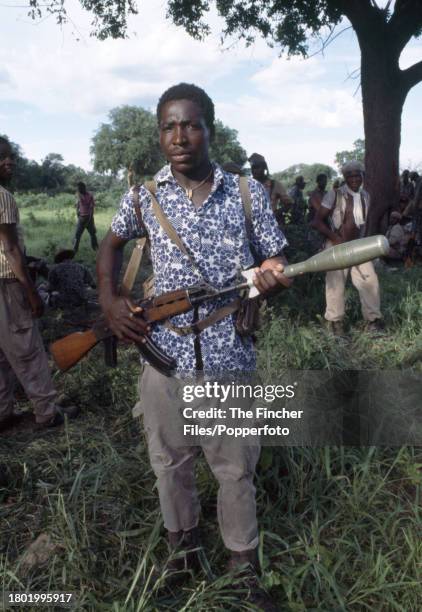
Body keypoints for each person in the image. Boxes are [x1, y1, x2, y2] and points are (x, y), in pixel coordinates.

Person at [97, 83, 291, 609]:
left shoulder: (246, 194)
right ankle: (181, 554)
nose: (179, 136)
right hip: (165, 358)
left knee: (235, 470)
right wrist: (111, 301)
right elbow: (110, 246)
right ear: (160, 134)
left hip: (229, 358)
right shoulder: (143, 195)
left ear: (209, 127)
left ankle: (242, 568)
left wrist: (272, 275)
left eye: (190, 124)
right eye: (169, 126)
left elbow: (274, 258)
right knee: (170, 465)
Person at [0, 136, 79, 431]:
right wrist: (32, 293)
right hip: (7, 286)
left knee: (1, 356)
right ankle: (47, 412)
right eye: (2, 157)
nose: (9, 161)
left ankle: (3, 412)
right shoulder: (3, 196)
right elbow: (9, 250)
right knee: (27, 350)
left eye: (10, 156)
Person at [312, 160, 384, 335]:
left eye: (357, 175)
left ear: (362, 176)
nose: (354, 179)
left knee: (369, 280)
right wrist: (334, 238)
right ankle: (335, 324)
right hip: (337, 244)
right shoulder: (334, 195)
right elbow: (317, 221)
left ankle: (373, 321)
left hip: (358, 245)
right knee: (336, 284)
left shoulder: (365, 196)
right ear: (344, 177)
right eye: (349, 175)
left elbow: (362, 225)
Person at [248, 153, 292, 225]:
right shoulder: (248, 185)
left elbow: (289, 204)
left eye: (257, 167)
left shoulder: (275, 185)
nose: (254, 171)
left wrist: (276, 214)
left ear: (264, 167)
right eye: (253, 168)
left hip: (270, 226)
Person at [73, 182, 98, 253]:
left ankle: (95, 248)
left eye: (80, 188)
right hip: (81, 218)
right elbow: (77, 205)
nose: (78, 190)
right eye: (78, 189)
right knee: (77, 234)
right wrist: (78, 214)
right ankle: (75, 250)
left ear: (84, 188)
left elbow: (92, 208)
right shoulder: (78, 195)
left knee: (92, 234)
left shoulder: (89, 195)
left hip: (88, 218)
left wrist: (89, 219)